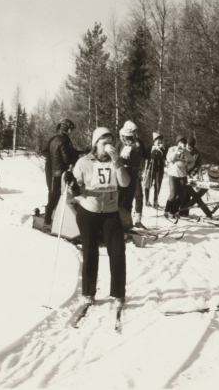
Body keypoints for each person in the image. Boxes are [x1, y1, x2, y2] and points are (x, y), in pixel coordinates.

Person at [70, 127, 130, 309]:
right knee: (90, 251)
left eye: (111, 143)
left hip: (111, 212)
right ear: (96, 144)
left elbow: (125, 183)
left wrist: (117, 162)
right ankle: (88, 292)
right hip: (89, 212)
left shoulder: (115, 161)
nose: (109, 147)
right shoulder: (83, 162)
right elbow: (74, 187)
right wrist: (71, 183)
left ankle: (119, 293)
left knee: (118, 251)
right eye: (105, 143)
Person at [42, 118, 80, 233]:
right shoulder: (62, 140)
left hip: (55, 171)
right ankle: (47, 222)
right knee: (55, 196)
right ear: (67, 129)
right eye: (70, 129)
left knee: (55, 195)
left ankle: (52, 218)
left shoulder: (57, 138)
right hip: (58, 172)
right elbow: (67, 158)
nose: (71, 131)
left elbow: (69, 153)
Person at [115, 121, 150, 228]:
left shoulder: (138, 142)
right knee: (121, 197)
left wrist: (153, 151)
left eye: (135, 132)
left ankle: (134, 221)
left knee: (136, 196)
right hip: (122, 172)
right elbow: (114, 158)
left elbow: (146, 155)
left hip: (134, 172)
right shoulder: (119, 143)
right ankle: (118, 222)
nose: (135, 134)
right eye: (133, 132)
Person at [165, 135, 195, 219]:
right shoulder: (172, 149)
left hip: (182, 174)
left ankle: (174, 211)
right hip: (173, 173)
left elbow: (192, 161)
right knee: (173, 194)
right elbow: (169, 159)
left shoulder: (186, 152)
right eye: (181, 142)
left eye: (184, 143)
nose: (182, 144)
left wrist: (188, 166)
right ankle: (167, 211)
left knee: (182, 194)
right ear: (178, 143)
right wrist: (177, 151)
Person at [178, 136, 202, 217]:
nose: (189, 147)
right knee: (181, 192)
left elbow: (198, 165)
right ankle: (178, 210)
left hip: (191, 174)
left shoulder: (197, 153)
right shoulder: (182, 151)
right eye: (188, 145)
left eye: (191, 146)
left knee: (188, 192)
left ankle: (185, 212)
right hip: (181, 173)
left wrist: (193, 173)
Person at [143, 133, 166, 209]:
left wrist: (163, 150)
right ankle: (146, 200)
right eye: (157, 139)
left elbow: (166, 157)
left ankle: (155, 201)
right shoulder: (150, 147)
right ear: (154, 140)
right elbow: (145, 155)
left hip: (159, 168)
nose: (159, 141)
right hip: (150, 167)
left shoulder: (163, 148)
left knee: (157, 184)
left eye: (160, 140)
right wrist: (152, 152)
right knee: (148, 183)